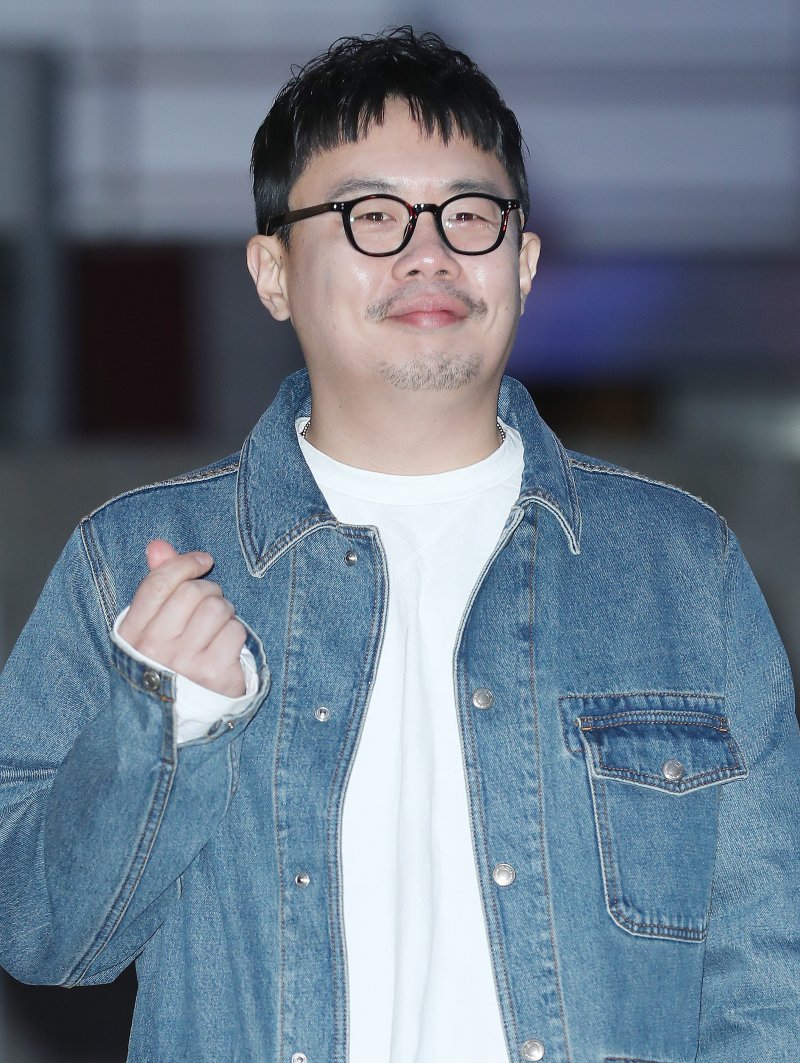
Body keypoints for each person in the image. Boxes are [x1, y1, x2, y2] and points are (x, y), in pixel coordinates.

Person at [0, 27, 798, 1063]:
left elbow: (767, 984)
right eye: (370, 215)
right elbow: (41, 937)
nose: (429, 252)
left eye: (469, 214)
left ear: (522, 262)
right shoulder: (131, 561)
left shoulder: (683, 567)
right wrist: (165, 720)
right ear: (272, 271)